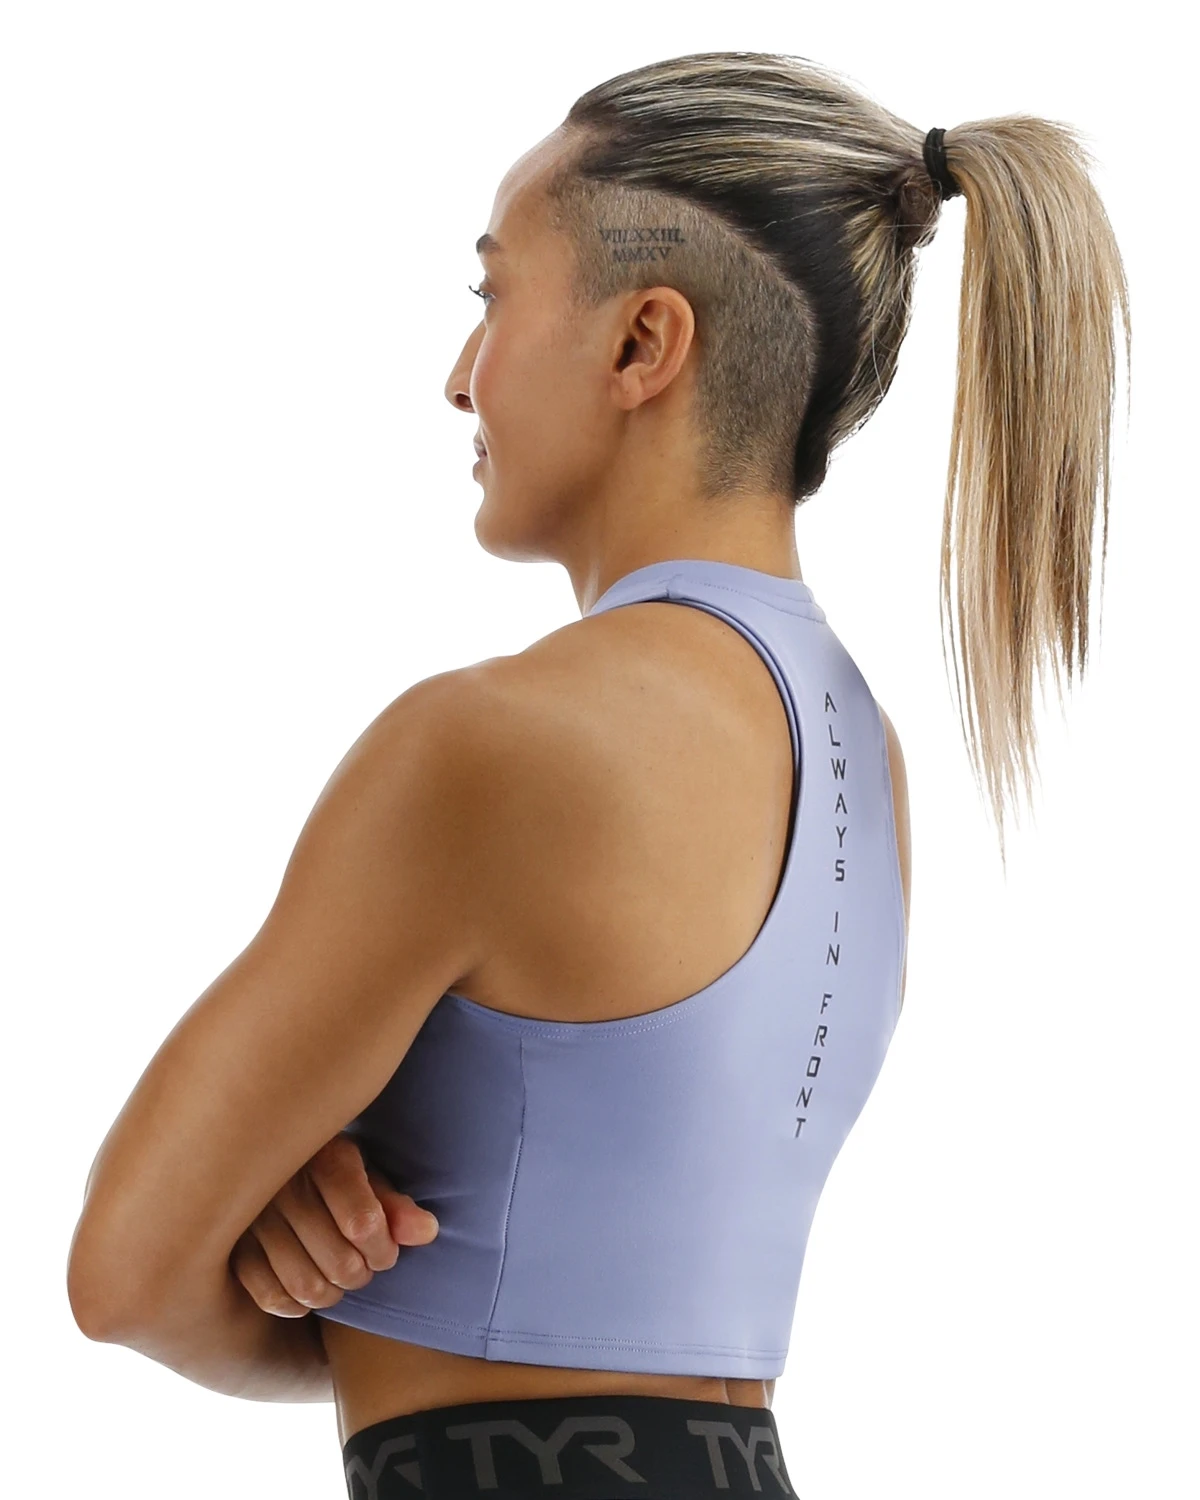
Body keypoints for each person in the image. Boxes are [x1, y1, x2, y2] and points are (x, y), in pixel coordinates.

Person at [67, 49, 1130, 1500]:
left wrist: (291, 1264)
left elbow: (124, 1275)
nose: (460, 377)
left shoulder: (492, 743)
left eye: (491, 295)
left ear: (643, 343)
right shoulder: (861, 756)